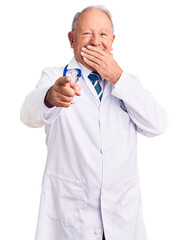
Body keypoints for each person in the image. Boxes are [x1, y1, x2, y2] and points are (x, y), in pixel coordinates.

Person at [20, 5, 169, 240]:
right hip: (71, 221)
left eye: (103, 35)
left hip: (121, 218)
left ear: (112, 40)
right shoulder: (54, 77)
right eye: (86, 34)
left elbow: (157, 124)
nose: (95, 42)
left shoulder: (128, 84)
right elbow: (28, 114)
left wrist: (118, 78)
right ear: (71, 39)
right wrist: (50, 97)